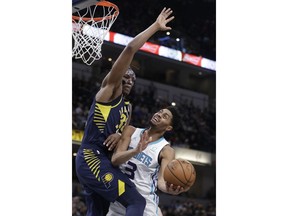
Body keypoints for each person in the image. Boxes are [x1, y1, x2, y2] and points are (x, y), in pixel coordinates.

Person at [75, 8, 175, 216]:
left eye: (133, 79)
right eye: (125, 76)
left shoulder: (126, 108)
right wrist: (156, 27)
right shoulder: (109, 91)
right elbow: (129, 49)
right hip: (91, 157)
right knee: (136, 202)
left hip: (103, 160)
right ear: (115, 76)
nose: (129, 80)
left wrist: (120, 134)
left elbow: (121, 135)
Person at [107, 106, 190, 216]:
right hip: (118, 200)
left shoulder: (166, 150)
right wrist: (136, 151)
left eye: (165, 116)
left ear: (169, 128)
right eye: (160, 111)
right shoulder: (131, 131)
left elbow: (161, 182)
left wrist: (170, 190)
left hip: (145, 204)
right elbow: (115, 159)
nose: (159, 114)